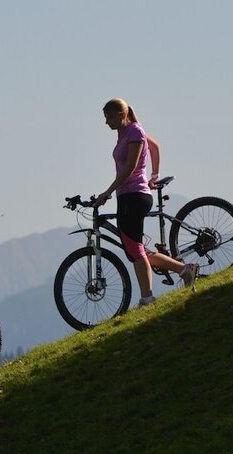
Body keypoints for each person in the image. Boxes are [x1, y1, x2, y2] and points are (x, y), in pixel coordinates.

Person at [93, 98, 198, 306]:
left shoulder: (134, 132)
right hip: (126, 196)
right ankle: (185, 270)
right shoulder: (125, 133)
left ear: (121, 115)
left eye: (110, 117)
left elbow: (130, 167)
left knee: (134, 249)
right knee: (136, 248)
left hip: (134, 195)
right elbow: (155, 147)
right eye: (105, 118)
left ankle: (147, 298)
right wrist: (154, 174)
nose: (106, 122)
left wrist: (107, 192)